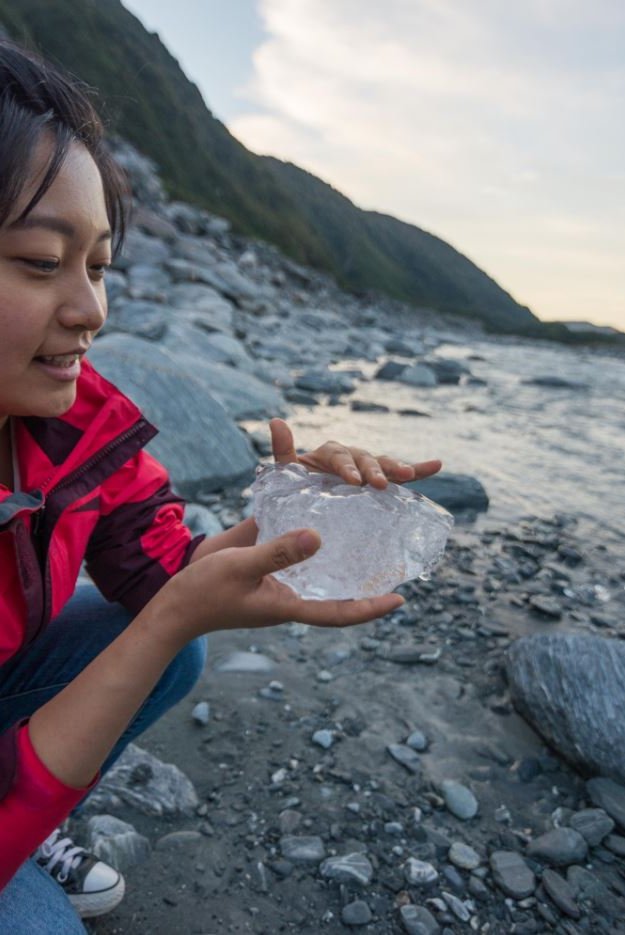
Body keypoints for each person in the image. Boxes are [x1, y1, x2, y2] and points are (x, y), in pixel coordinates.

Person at [0, 38, 442, 933]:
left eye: (99, 265)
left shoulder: (78, 425)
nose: (90, 311)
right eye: (43, 262)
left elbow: (166, 576)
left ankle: (30, 806)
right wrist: (169, 619)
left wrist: (288, 516)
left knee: (168, 637)